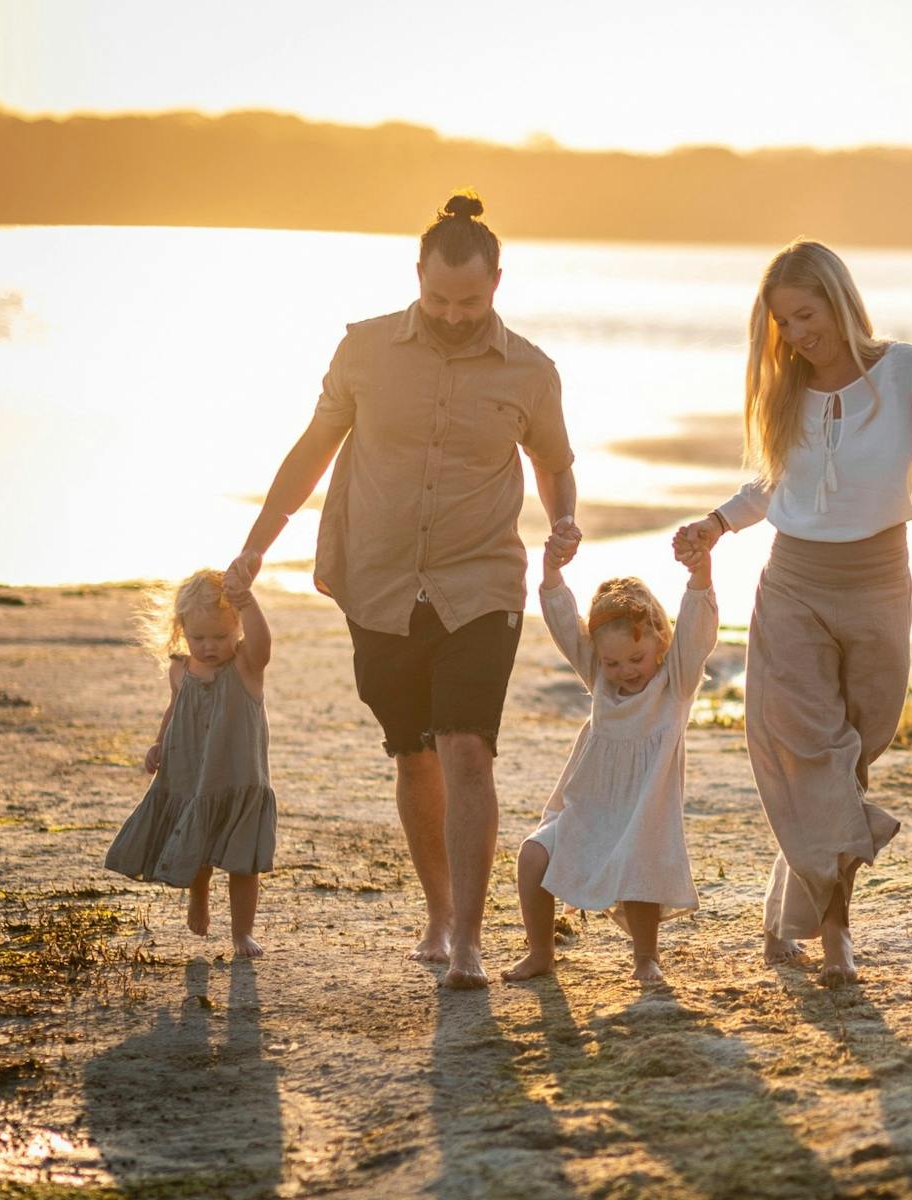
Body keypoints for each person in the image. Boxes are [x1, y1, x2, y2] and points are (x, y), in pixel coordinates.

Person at [225, 191, 580, 989]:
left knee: (467, 751)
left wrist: (564, 522)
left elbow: (554, 461)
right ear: (417, 275)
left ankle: (470, 943)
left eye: (472, 299)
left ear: (498, 282)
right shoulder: (364, 349)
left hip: (482, 581)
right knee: (413, 751)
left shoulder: (531, 371)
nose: (455, 315)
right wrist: (255, 546)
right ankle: (441, 911)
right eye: (439, 298)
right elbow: (314, 448)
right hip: (378, 581)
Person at [674, 239, 912, 987]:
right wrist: (715, 525)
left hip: (880, 583)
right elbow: (768, 485)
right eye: (782, 322)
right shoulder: (785, 390)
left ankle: (790, 907)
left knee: (849, 756)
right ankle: (836, 935)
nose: (796, 334)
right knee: (810, 749)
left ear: (841, 302)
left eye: (806, 315)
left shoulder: (908, 371)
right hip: (792, 584)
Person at [502, 532, 718, 985]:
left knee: (638, 875)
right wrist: (553, 573)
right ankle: (541, 952)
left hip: (643, 814)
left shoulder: (675, 684)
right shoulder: (601, 678)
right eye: (613, 663)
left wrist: (700, 576)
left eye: (635, 658)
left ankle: (646, 959)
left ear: (660, 640)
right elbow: (566, 628)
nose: (625, 672)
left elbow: (698, 632)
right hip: (589, 809)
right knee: (532, 857)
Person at [105, 569, 274, 958]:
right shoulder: (180, 669)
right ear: (181, 629)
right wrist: (159, 742)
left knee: (242, 861)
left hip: (239, 779)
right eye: (198, 638)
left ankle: (241, 933)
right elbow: (174, 709)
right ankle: (198, 895)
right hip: (191, 776)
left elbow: (263, 643)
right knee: (197, 843)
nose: (209, 646)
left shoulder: (247, 666)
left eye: (220, 637)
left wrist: (247, 601)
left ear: (237, 631)